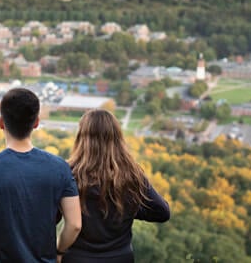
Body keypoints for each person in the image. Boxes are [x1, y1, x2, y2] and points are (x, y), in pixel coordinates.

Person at [0, 87, 82, 262]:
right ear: (36, 122)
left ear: (1, 123)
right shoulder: (60, 167)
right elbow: (75, 225)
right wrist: (59, 251)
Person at [62, 109, 170, 263]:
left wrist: (58, 250)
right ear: (117, 137)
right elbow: (162, 212)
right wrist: (127, 208)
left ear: (81, 138)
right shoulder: (132, 174)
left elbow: (50, 218)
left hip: (77, 258)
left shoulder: (67, 173)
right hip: (120, 257)